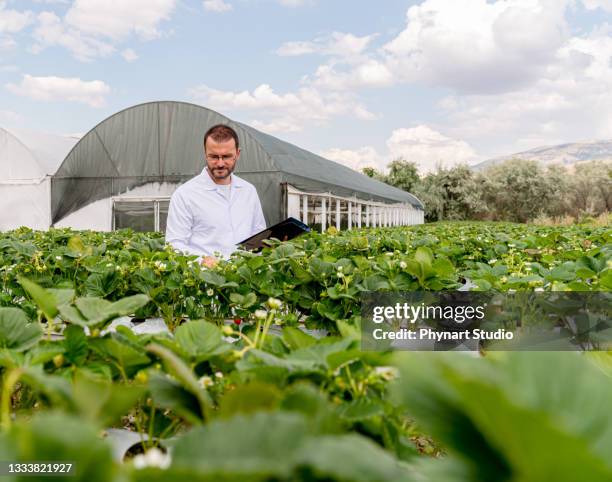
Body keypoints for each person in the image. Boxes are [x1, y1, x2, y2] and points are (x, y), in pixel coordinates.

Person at [165, 124, 266, 266]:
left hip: (244, 280)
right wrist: (203, 261)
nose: (220, 163)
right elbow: (174, 246)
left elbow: (258, 236)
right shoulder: (185, 195)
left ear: (237, 153)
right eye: (213, 157)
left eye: (226, 156)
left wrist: (272, 242)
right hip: (205, 281)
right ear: (205, 153)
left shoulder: (248, 191)